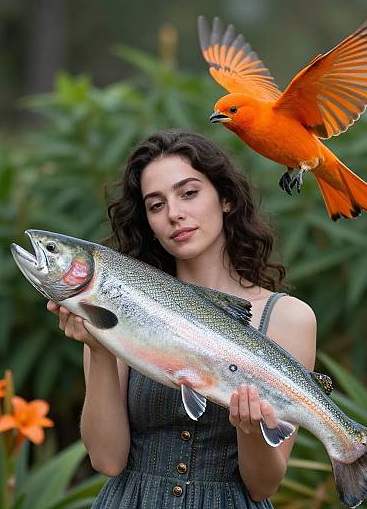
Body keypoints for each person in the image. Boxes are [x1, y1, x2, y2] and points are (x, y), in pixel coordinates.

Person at [47, 130, 316, 508]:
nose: (174, 214)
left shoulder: (289, 318)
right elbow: (107, 460)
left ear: (225, 198)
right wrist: (101, 350)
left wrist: (251, 430)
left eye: (189, 193)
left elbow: (262, 486)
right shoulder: (118, 305)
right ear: (149, 222)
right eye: (156, 205)